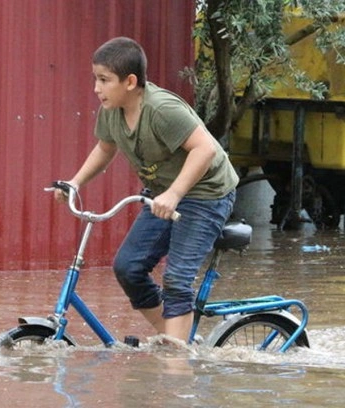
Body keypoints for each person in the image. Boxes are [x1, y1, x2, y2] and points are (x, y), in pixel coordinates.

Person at [54, 37, 239, 344]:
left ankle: (176, 369)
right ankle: (174, 340)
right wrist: (74, 183)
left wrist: (174, 194)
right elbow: (105, 148)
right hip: (163, 193)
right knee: (128, 267)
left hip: (207, 193)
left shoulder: (161, 109)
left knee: (177, 278)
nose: (96, 88)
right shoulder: (112, 110)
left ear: (130, 81)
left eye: (103, 80)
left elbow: (205, 149)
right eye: (95, 79)